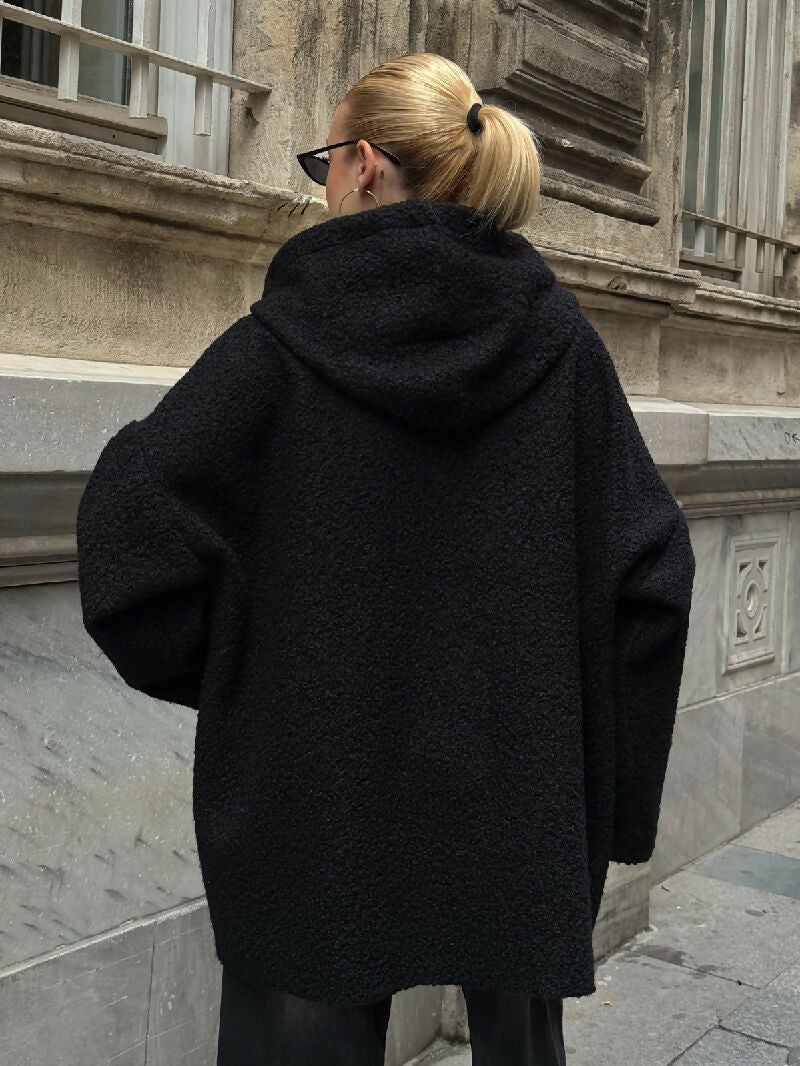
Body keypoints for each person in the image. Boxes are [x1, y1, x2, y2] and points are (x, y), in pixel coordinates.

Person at [75, 52, 696, 1066]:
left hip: (311, 796)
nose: (321, 179)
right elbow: (653, 575)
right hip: (521, 807)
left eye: (322, 158)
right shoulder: (564, 350)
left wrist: (239, 674)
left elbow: (130, 532)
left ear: (364, 164)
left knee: (298, 1036)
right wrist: (609, 806)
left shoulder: (277, 348)